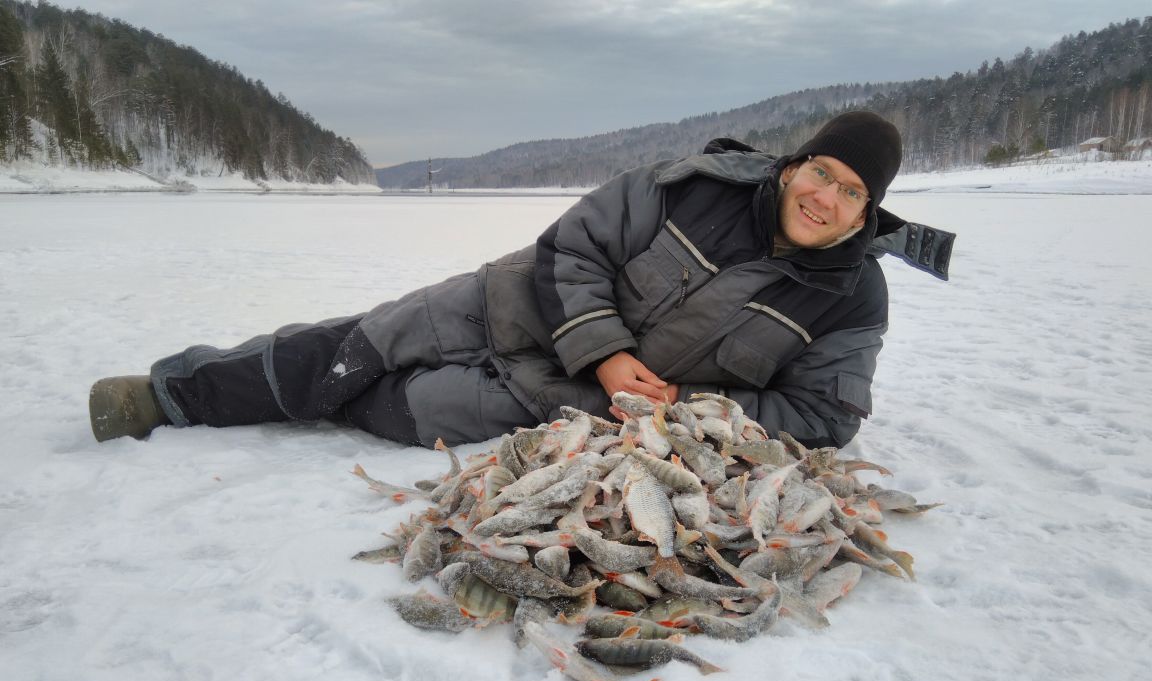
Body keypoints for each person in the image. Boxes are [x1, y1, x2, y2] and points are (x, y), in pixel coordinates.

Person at [89, 111, 954, 449]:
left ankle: (321, 402)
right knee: (350, 350)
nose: (828, 197)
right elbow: (572, 249)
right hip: (510, 301)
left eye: (853, 192)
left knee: (405, 412)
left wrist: (680, 405)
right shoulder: (693, 186)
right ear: (796, 164)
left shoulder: (852, 298)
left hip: (572, 403)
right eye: (823, 173)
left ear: (868, 212)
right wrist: (611, 352)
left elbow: (824, 417)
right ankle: (170, 396)